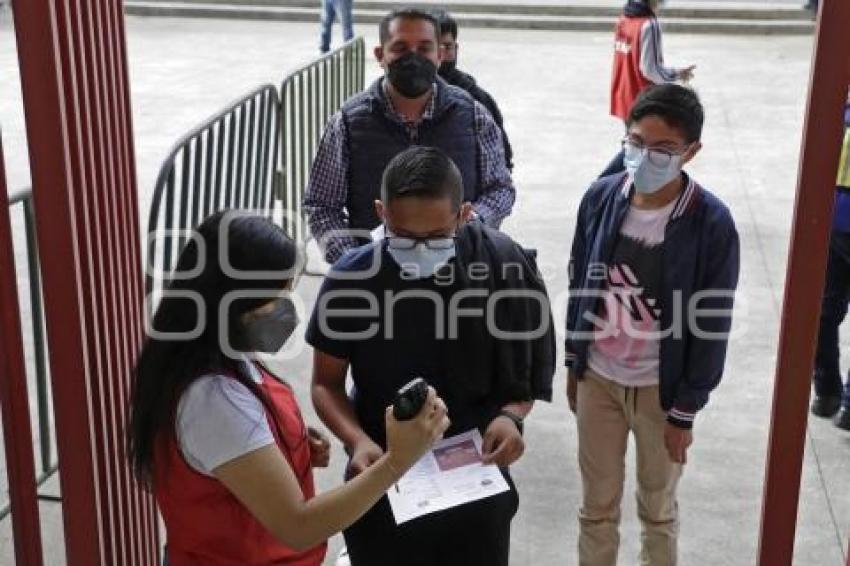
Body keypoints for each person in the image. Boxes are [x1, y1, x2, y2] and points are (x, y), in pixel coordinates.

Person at [127, 211, 449, 565]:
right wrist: (396, 462)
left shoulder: (210, 355)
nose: (286, 307)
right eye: (276, 295)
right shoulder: (214, 400)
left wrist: (282, 445)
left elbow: (227, 449)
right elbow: (299, 527)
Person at [306, 146, 555, 566]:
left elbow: (525, 372)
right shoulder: (352, 279)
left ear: (464, 215)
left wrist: (511, 416)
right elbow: (325, 384)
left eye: (437, 237)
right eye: (404, 236)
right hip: (381, 475)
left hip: (475, 477)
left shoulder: (502, 267)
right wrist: (358, 441)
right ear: (382, 212)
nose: (421, 249)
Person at [566, 84, 739, 565]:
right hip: (598, 378)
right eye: (637, 143)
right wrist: (573, 360)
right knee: (596, 507)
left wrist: (686, 408)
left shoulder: (710, 223)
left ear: (691, 152)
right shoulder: (601, 198)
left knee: (658, 510)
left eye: (663, 150)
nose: (645, 158)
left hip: (660, 391)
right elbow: (581, 275)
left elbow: (711, 321)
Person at [304, 7, 516, 265]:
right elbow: (321, 206)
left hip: (459, 270)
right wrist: (354, 260)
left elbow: (500, 188)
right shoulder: (347, 123)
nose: (413, 58)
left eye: (424, 48)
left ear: (440, 55)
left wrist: (471, 226)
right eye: (401, 48)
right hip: (377, 277)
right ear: (380, 55)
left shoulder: (474, 116)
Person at [600, 0, 696, 178]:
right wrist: (677, 74)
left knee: (634, 147)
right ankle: (603, 187)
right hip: (641, 97)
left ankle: (608, 186)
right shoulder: (649, 25)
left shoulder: (624, 19)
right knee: (636, 151)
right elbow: (650, 70)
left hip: (623, 93)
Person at [811, 94, 850, 431]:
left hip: (833, 222)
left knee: (825, 311)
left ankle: (827, 393)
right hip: (837, 221)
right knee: (824, 312)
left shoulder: (839, 101)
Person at [433, 9, 514, 171]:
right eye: (433, 48)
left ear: (456, 48)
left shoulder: (478, 100)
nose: (440, 56)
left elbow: (502, 162)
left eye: (447, 47)